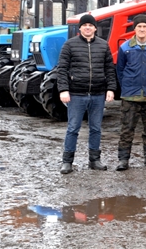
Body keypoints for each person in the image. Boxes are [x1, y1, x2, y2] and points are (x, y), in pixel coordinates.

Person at [57, 14, 117, 174]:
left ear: (95, 28)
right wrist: (63, 89)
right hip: (76, 94)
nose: (88, 28)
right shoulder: (69, 45)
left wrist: (111, 89)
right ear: (80, 28)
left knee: (96, 128)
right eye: (85, 25)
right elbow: (62, 69)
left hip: (98, 94)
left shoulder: (103, 45)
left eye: (91, 25)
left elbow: (110, 69)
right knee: (73, 128)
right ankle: (67, 162)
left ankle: (94, 160)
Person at [115, 14, 146, 171]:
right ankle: (123, 159)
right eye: (139, 26)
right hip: (130, 95)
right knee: (127, 129)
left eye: (144, 26)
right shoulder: (125, 48)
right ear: (134, 29)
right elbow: (120, 70)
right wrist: (128, 86)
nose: (142, 29)